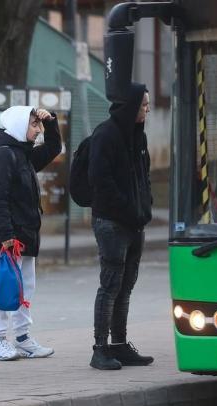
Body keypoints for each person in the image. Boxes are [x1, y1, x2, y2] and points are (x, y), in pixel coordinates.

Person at [87, 83, 154, 370]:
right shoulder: (106, 134)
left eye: (148, 105)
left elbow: (144, 176)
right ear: (129, 106)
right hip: (112, 223)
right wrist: (128, 208)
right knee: (110, 286)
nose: (147, 110)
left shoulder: (138, 136)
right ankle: (100, 348)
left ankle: (119, 344)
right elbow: (101, 182)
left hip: (134, 223)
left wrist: (144, 207)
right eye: (143, 105)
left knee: (126, 287)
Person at [0, 106, 59, 362]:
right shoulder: (5, 155)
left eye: (38, 125)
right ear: (18, 125)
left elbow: (53, 149)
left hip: (27, 234)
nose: (38, 130)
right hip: (12, 237)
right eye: (34, 124)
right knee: (5, 287)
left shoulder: (23, 153)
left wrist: (51, 121)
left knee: (25, 287)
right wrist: (6, 235)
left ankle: (22, 337)